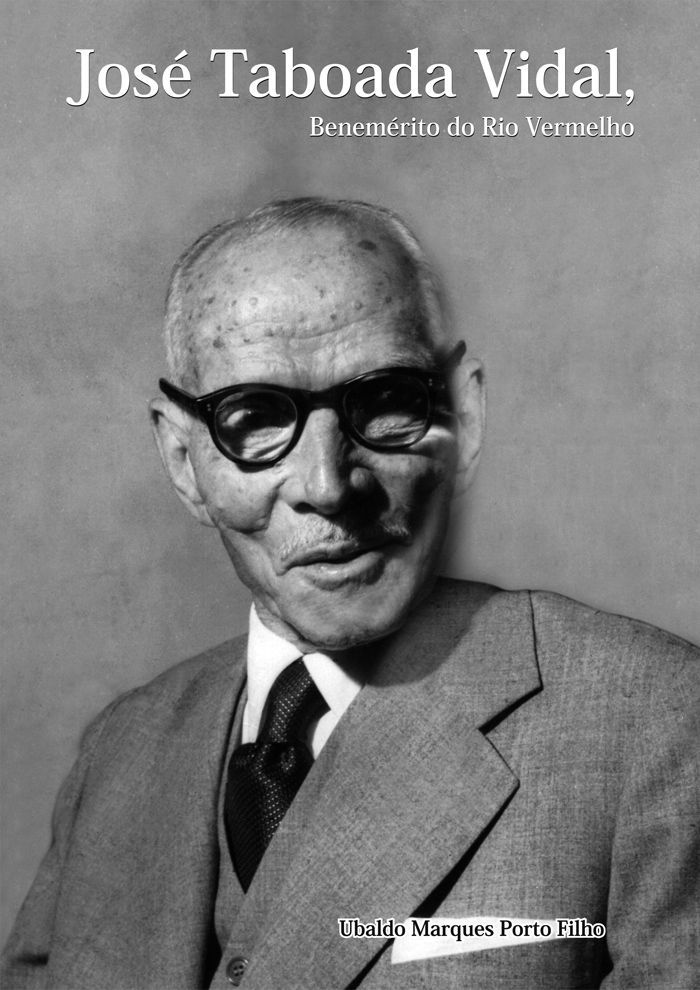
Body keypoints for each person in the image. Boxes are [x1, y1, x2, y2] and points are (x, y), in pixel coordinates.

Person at [2, 197, 697, 990]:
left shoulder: (657, 723)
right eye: (255, 418)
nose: (329, 485)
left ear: (466, 420)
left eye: (387, 402)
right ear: (184, 463)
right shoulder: (121, 749)